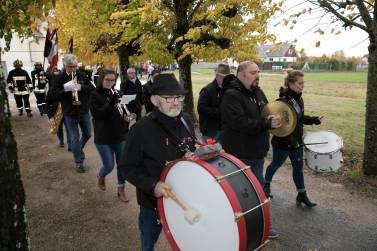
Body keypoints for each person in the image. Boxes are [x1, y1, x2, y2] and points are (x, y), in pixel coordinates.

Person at [117, 74, 196, 251]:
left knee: (185, 240)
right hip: (152, 202)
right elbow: (126, 166)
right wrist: (153, 185)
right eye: (169, 98)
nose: (176, 102)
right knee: (148, 241)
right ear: (154, 100)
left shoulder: (186, 120)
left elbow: (190, 149)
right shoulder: (140, 129)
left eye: (179, 97)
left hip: (185, 196)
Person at [219, 61, 281, 239]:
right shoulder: (231, 95)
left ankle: (261, 225)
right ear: (241, 75)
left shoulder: (258, 92)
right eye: (253, 72)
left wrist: (275, 119)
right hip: (239, 156)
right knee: (239, 195)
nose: (258, 75)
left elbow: (266, 113)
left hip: (257, 154)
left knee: (258, 192)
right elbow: (239, 123)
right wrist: (266, 123)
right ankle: (234, 230)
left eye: (258, 72)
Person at [264, 69, 322, 207]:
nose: (303, 86)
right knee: (275, 165)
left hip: (297, 143)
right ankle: (265, 185)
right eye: (300, 83)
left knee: (298, 168)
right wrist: (292, 142)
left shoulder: (298, 99)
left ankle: (301, 195)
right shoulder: (282, 102)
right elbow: (280, 126)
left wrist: (314, 120)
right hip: (283, 143)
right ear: (291, 83)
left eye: (303, 83)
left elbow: (299, 119)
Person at [88, 67, 130, 202]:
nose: (110, 83)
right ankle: (101, 175)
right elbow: (97, 114)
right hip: (103, 136)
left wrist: (131, 105)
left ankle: (121, 188)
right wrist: (110, 103)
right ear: (101, 79)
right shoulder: (94, 95)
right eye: (107, 80)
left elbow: (123, 113)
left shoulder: (118, 93)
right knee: (109, 166)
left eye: (112, 80)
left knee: (122, 164)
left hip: (120, 135)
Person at [52, 54, 95, 173]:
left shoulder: (82, 75)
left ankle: (78, 149)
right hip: (69, 112)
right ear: (65, 66)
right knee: (74, 138)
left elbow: (91, 89)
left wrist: (80, 87)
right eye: (70, 67)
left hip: (83, 110)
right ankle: (79, 162)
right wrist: (67, 89)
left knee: (87, 134)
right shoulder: (59, 78)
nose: (73, 69)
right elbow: (55, 95)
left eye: (74, 67)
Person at [197, 63, 233, 143]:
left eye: (228, 77)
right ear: (217, 76)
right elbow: (201, 109)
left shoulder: (230, 90)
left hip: (226, 131)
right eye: (224, 78)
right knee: (210, 154)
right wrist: (221, 112)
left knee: (224, 155)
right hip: (211, 132)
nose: (227, 80)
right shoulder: (207, 90)